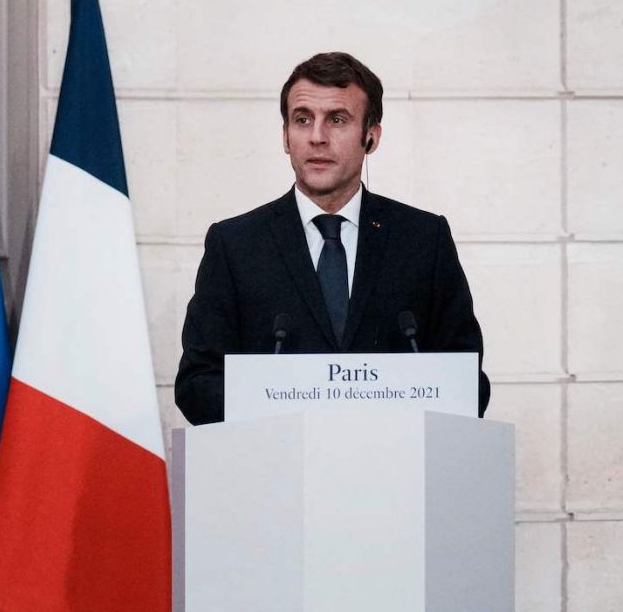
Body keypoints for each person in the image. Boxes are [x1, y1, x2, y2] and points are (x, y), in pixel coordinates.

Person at [173, 52, 489, 425]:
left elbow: (468, 381)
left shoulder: (423, 239)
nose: (317, 138)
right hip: (274, 470)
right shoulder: (236, 244)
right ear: (286, 137)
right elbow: (197, 383)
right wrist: (282, 409)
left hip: (392, 469)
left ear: (370, 136)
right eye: (302, 120)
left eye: (337, 120)